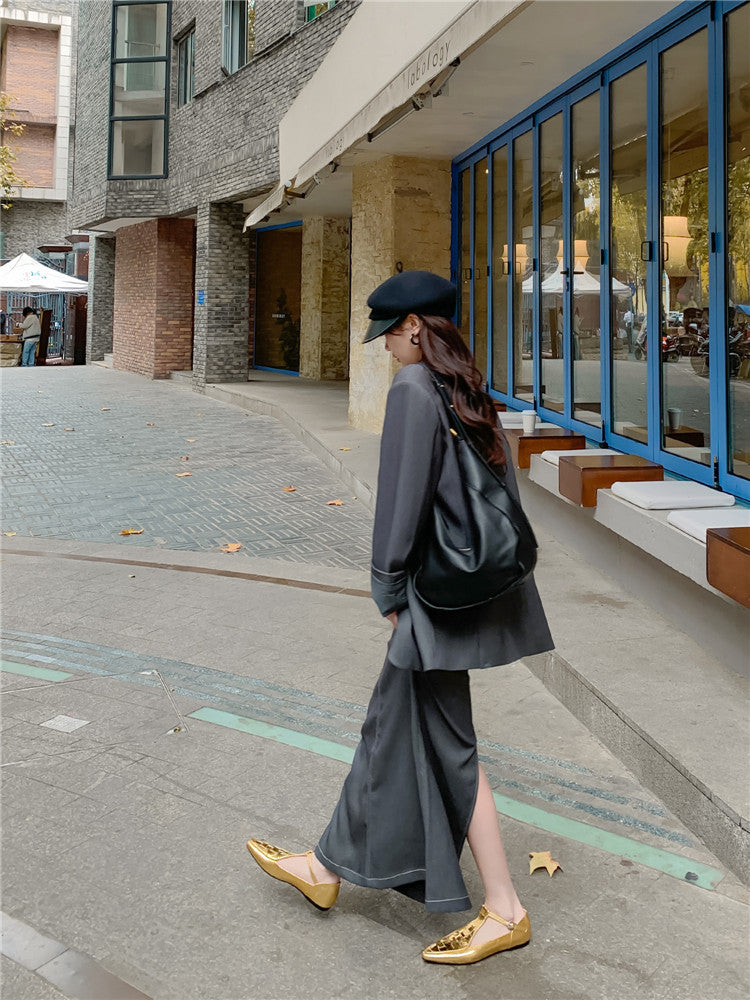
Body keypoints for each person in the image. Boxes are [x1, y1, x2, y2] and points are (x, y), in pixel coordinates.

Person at [247, 270, 554, 965]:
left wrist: (387, 589)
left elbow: (401, 502)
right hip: (464, 585)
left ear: (415, 326)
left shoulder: (415, 390)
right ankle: (325, 868)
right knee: (392, 722)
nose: (383, 345)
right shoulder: (463, 383)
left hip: (430, 597)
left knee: (449, 741)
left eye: (388, 330)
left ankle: (504, 908)